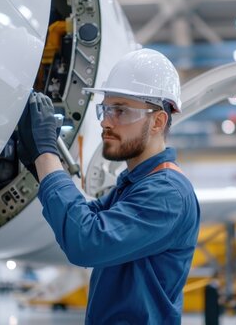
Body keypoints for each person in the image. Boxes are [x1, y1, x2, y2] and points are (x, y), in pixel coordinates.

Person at [17, 49, 200, 324]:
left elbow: (86, 241)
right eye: (105, 109)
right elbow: (80, 220)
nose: (105, 121)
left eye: (121, 111)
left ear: (158, 121)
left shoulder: (167, 193)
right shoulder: (134, 185)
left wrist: (46, 155)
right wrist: (38, 164)